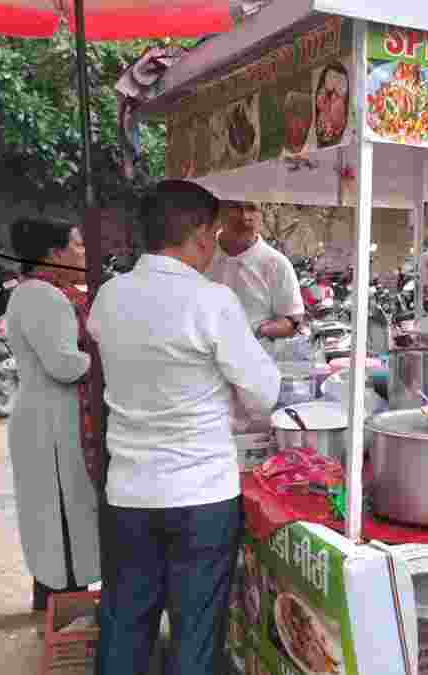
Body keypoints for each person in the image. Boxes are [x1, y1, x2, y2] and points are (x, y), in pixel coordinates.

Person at [89, 180, 280, 675]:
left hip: (129, 491)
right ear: (199, 234)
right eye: (214, 234)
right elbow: (264, 394)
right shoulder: (210, 301)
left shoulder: (109, 297)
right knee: (195, 631)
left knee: (125, 622)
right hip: (199, 495)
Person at [4, 218, 101, 612]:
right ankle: (65, 608)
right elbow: (63, 364)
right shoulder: (45, 296)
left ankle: (54, 603)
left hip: (48, 417)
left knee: (56, 512)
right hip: (51, 421)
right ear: (54, 254)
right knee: (62, 513)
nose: (83, 253)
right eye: (77, 246)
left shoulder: (37, 292)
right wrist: (108, 361)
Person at [204, 201, 304, 342]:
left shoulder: (277, 264)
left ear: (261, 214)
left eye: (252, 208)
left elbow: (293, 321)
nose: (245, 216)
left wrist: (256, 331)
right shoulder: (198, 252)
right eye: (236, 207)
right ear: (219, 211)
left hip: (252, 359)